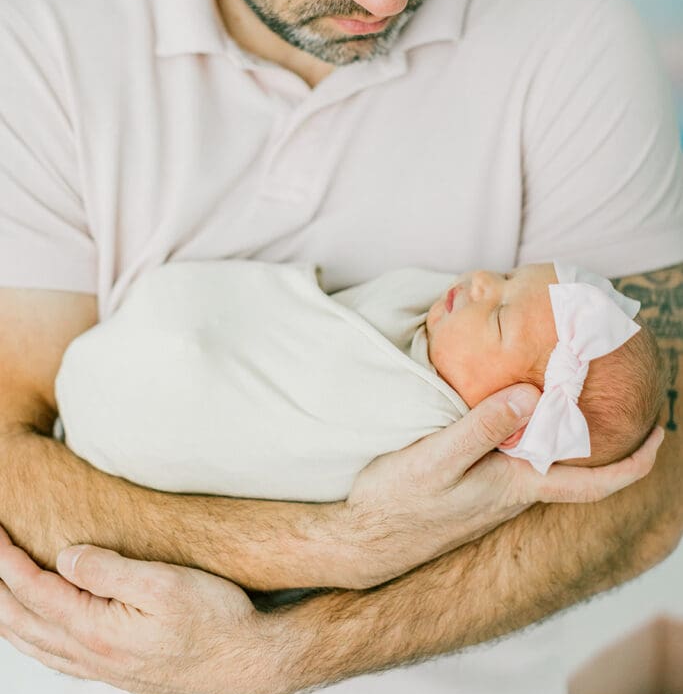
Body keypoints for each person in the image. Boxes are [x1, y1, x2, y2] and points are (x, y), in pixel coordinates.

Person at [0, 0, 680, 694]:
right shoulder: (41, 54)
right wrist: (337, 543)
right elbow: (12, 454)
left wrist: (285, 654)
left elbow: (648, 486)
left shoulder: (571, 42)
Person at [55, 259, 665, 512]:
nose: (479, 279)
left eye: (499, 313)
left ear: (515, 419)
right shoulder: (429, 331)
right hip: (158, 356)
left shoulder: (421, 426)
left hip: (142, 417)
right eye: (505, 276)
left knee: (187, 371)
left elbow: (303, 428)